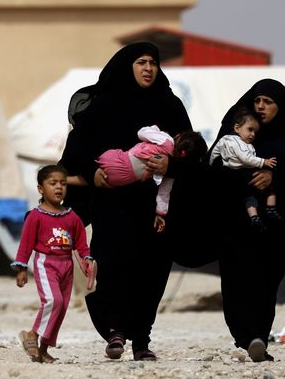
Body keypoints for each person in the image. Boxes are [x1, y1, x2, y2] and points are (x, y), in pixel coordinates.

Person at [58, 42, 193, 361]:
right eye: (141, 62)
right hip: (112, 204)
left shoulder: (169, 105)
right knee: (112, 264)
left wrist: (170, 166)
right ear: (127, 66)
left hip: (154, 205)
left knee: (152, 269)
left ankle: (142, 337)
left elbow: (189, 148)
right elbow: (76, 153)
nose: (148, 69)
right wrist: (93, 174)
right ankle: (115, 330)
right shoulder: (104, 105)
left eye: (153, 63)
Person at [206, 78, 285, 362]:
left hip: (273, 227)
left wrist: (275, 175)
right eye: (257, 101)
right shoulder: (235, 133)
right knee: (237, 279)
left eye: (269, 102)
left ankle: (259, 339)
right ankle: (246, 334)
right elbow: (213, 167)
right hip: (236, 223)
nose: (261, 107)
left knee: (265, 283)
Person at [12, 165, 96, 363]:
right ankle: (31, 334)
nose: (59, 188)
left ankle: (42, 350)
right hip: (46, 263)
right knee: (53, 301)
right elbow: (26, 245)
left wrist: (87, 260)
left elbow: (81, 245)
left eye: (63, 183)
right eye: (53, 183)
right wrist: (22, 269)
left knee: (61, 308)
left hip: (66, 266)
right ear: (41, 189)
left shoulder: (72, 217)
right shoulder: (35, 216)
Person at [72, 125, 206, 232]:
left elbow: (141, 133)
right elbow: (164, 194)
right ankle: (68, 180)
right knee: (101, 179)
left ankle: (66, 179)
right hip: (122, 180)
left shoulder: (165, 140)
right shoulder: (171, 170)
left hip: (117, 161)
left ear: (178, 136)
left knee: (93, 176)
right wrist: (160, 213)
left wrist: (155, 129)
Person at [209, 106, 281, 233]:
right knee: (264, 191)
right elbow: (246, 158)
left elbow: (215, 151)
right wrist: (264, 162)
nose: (253, 134)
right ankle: (269, 209)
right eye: (250, 130)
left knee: (250, 197)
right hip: (239, 173)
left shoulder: (245, 143)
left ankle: (255, 217)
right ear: (237, 128)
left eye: (255, 132)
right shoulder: (235, 141)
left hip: (242, 173)